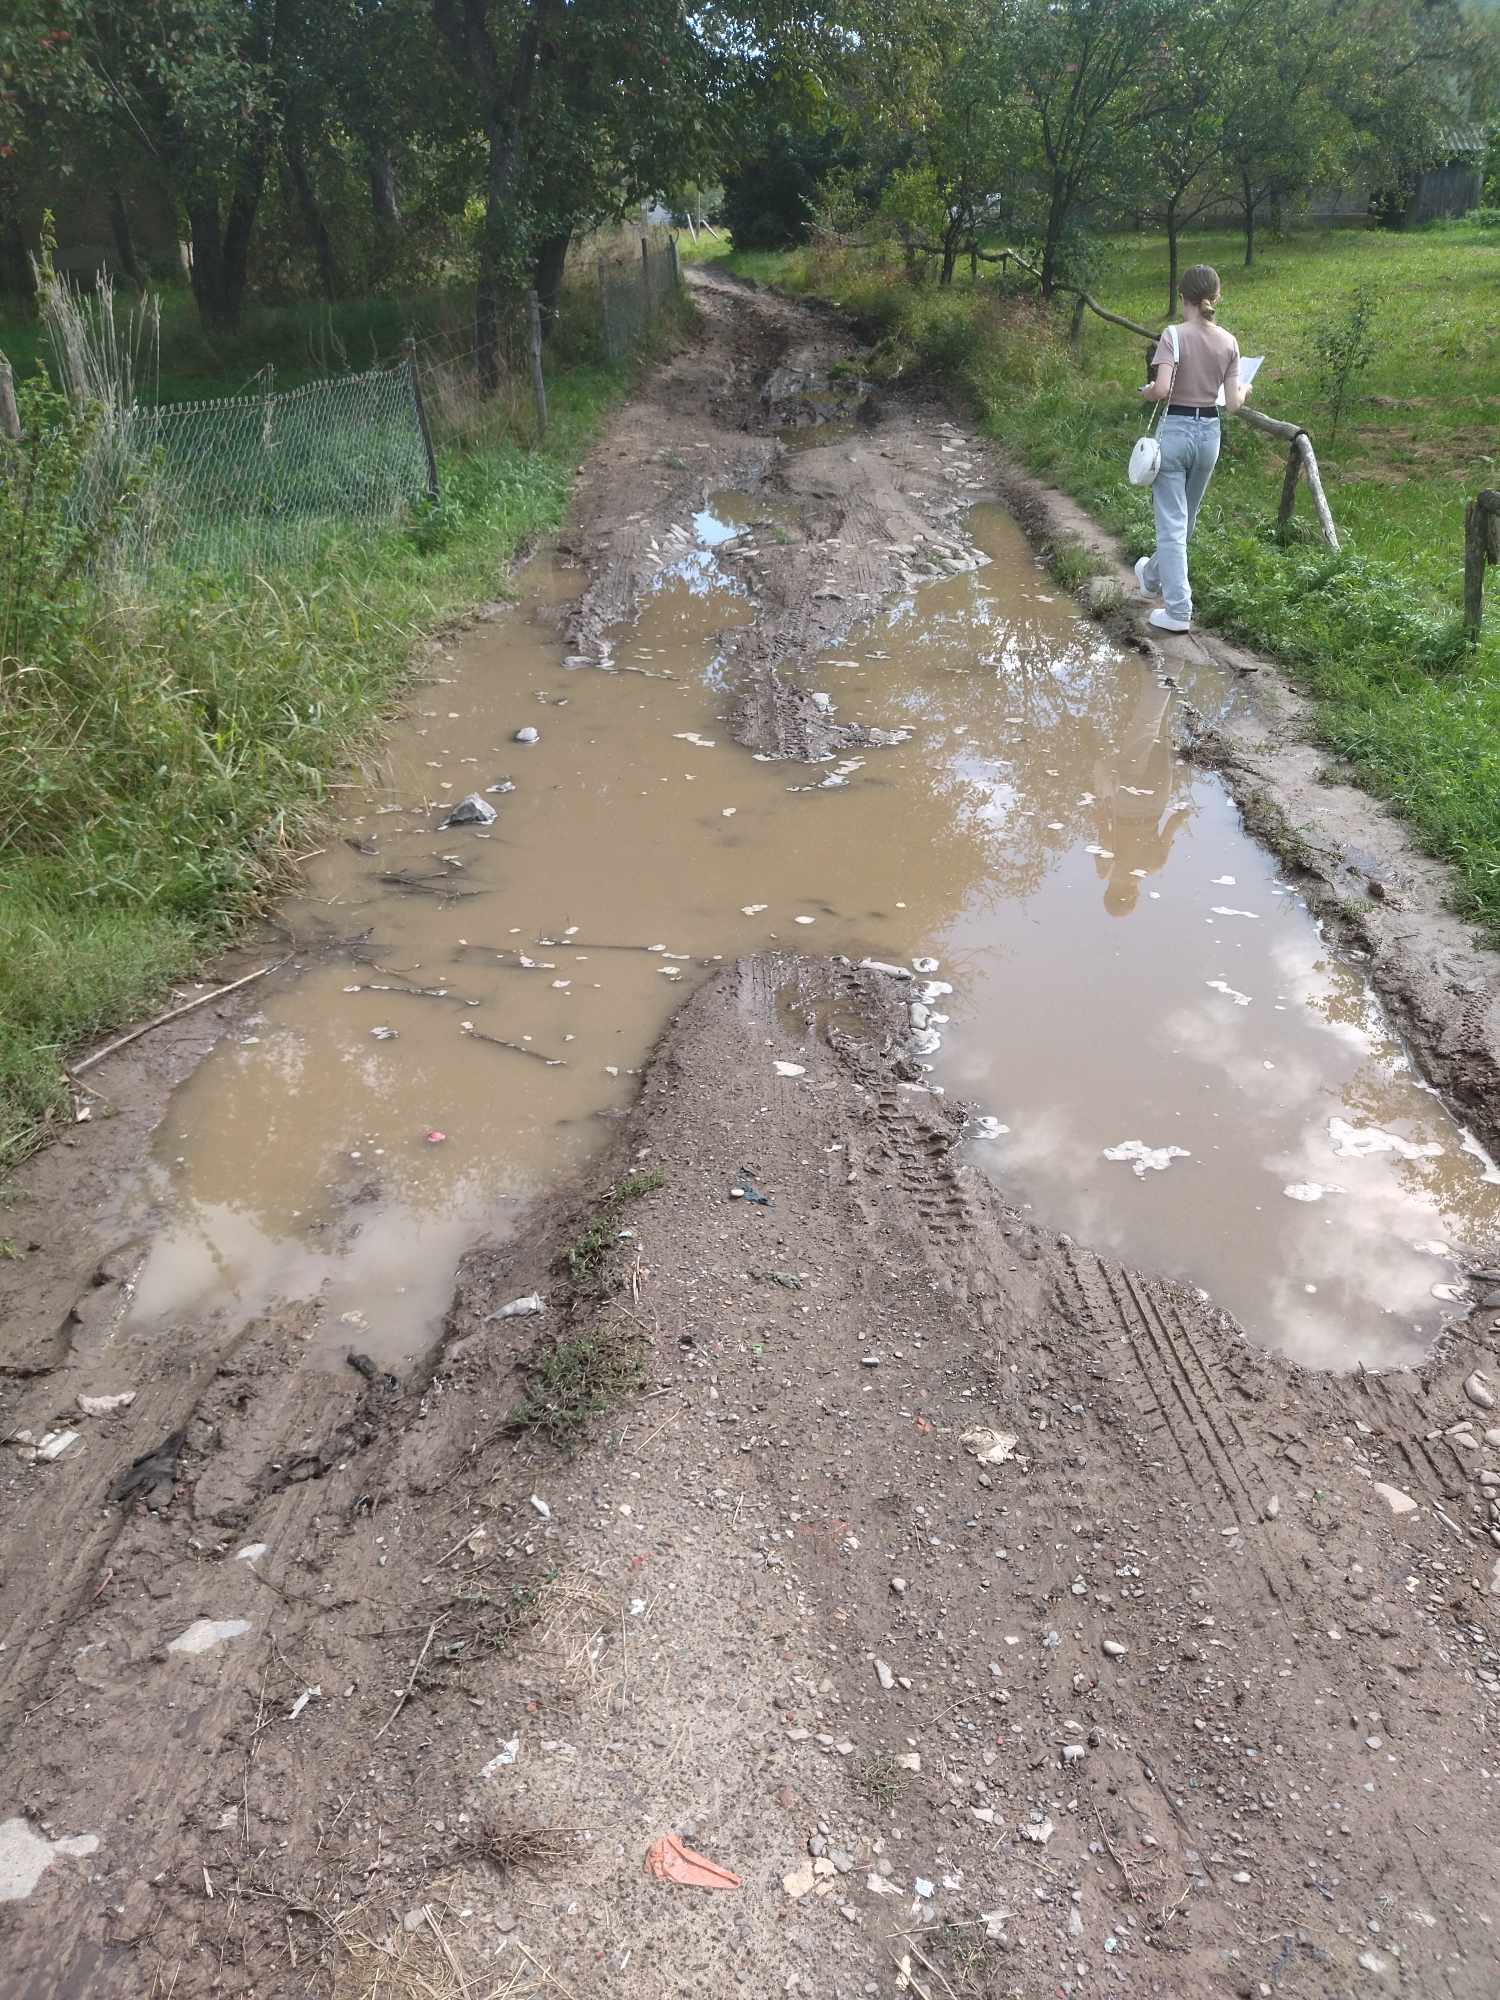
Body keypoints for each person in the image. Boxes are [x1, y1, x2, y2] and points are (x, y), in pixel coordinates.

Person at [1134, 264, 1250, 634]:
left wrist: (1146, 391)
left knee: (1171, 524)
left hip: (1177, 432)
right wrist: (1246, 390)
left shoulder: (1173, 335)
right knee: (1186, 521)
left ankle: (1179, 610)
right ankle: (1151, 576)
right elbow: (1232, 404)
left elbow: (1163, 389)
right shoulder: (1230, 342)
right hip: (1209, 436)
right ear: (1216, 297)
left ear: (1181, 296)